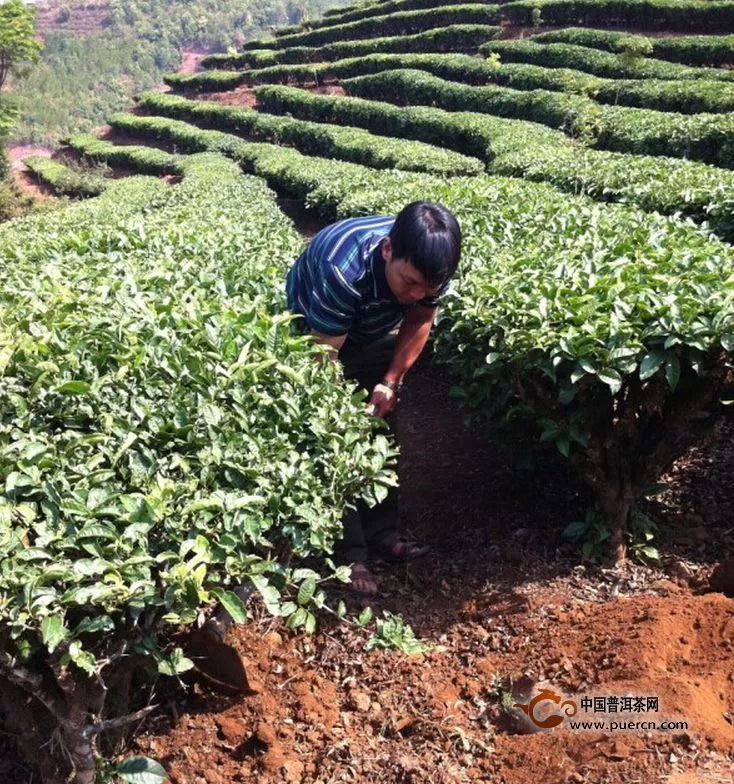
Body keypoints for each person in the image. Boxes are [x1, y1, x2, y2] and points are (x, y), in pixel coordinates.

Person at [286, 201, 462, 594]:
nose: (416, 294)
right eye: (409, 283)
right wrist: (342, 413)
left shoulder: (432, 268)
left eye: (427, 289)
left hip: (368, 331)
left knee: (381, 429)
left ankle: (384, 530)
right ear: (387, 251)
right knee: (336, 438)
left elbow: (420, 319)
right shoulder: (341, 269)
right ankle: (348, 554)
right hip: (314, 333)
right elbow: (325, 355)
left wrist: (390, 382)